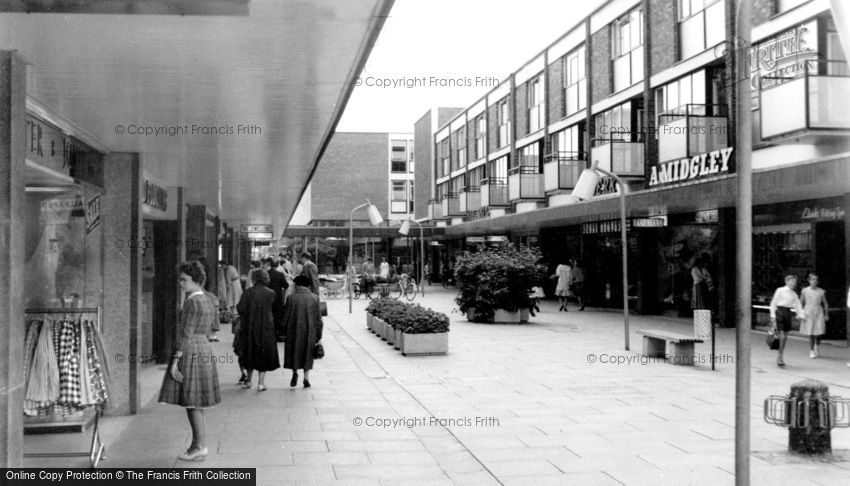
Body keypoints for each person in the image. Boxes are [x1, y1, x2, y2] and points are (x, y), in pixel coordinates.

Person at [158, 261, 221, 461]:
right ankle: (197, 445)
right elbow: (213, 327)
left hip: (191, 350)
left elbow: (185, 335)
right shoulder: (208, 299)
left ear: (196, 279)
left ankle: (199, 446)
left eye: (184, 279)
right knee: (196, 403)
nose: (180, 283)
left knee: (192, 403)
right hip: (203, 348)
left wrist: (175, 361)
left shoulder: (191, 302)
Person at [235, 269, 280, 391]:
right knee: (263, 354)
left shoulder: (247, 293)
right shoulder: (271, 293)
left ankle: (249, 380)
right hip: (266, 327)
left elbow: (240, 308)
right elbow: (275, 310)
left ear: (254, 279)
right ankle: (261, 383)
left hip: (250, 326)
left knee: (250, 352)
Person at [283, 275, 324, 388]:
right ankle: (306, 378)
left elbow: (285, 316)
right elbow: (319, 319)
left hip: (293, 330)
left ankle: (295, 373)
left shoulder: (291, 298)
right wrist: (319, 334)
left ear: (297, 285)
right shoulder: (315, 298)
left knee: (294, 352)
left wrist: (283, 330)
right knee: (308, 353)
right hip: (310, 331)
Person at [769, 274, 805, 367]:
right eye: (792, 281)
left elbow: (798, 305)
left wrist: (801, 315)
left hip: (787, 313)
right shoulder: (780, 290)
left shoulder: (794, 294)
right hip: (780, 312)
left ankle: (780, 355)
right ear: (787, 282)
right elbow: (773, 302)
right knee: (782, 335)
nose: (794, 283)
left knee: (784, 336)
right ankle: (780, 356)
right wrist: (772, 315)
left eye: (795, 282)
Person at [800, 274, 829, 359]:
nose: (814, 281)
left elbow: (825, 303)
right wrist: (800, 313)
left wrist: (826, 314)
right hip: (808, 311)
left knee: (820, 332)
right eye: (812, 279)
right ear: (809, 281)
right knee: (811, 332)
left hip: (818, 311)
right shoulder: (805, 291)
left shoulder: (821, 291)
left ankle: (817, 345)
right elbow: (801, 303)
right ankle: (812, 351)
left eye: (816, 280)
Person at [263, 258, 289, 341]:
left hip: (266, 299)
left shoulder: (263, 274)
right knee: (278, 317)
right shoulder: (280, 274)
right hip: (277, 299)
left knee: (267, 317)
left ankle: (268, 335)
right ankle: (278, 335)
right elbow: (286, 285)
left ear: (267, 263)